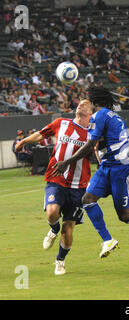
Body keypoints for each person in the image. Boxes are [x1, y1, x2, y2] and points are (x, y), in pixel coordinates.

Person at [51, 86, 129, 259]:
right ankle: (107, 240)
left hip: (122, 170)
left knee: (123, 215)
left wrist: (67, 162)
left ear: (94, 101)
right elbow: (101, 141)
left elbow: (91, 143)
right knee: (87, 199)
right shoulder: (112, 115)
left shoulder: (100, 115)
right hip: (107, 167)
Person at [14, 99, 93, 275]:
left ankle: (60, 261)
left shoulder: (93, 134)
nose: (81, 105)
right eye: (79, 104)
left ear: (90, 114)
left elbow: (98, 154)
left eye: (85, 105)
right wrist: (24, 142)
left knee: (68, 228)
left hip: (79, 186)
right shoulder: (61, 123)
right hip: (56, 178)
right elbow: (42, 134)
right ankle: (53, 229)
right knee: (52, 212)